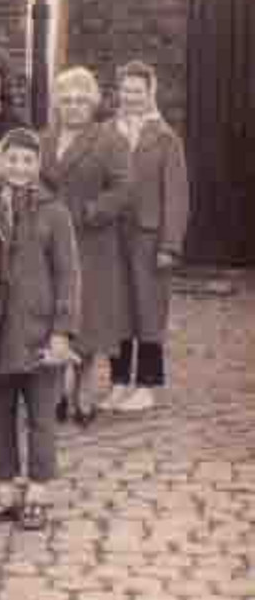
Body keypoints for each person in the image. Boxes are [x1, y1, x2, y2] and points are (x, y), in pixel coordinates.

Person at [0, 129, 81, 532]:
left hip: (39, 333)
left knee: (40, 416)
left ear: (37, 165)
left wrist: (62, 331)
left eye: (26, 161)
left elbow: (68, 274)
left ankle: (37, 490)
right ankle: (3, 487)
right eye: (11, 159)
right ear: (0, 162)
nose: (18, 168)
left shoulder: (55, 213)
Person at [41, 66, 133, 424]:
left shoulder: (110, 141)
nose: (74, 107)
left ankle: (82, 390)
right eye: (67, 100)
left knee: (89, 316)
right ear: (57, 104)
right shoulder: (44, 139)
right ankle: (54, 390)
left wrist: (91, 211)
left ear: (93, 104)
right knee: (51, 311)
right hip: (49, 240)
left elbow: (124, 190)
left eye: (81, 100)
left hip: (92, 240)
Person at [108, 60, 189, 414]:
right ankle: (119, 381)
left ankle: (147, 385)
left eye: (138, 91)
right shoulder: (107, 131)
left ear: (149, 93)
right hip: (113, 235)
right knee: (118, 309)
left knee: (148, 309)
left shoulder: (165, 137)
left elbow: (176, 195)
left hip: (149, 235)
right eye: (126, 90)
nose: (131, 97)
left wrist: (170, 244)